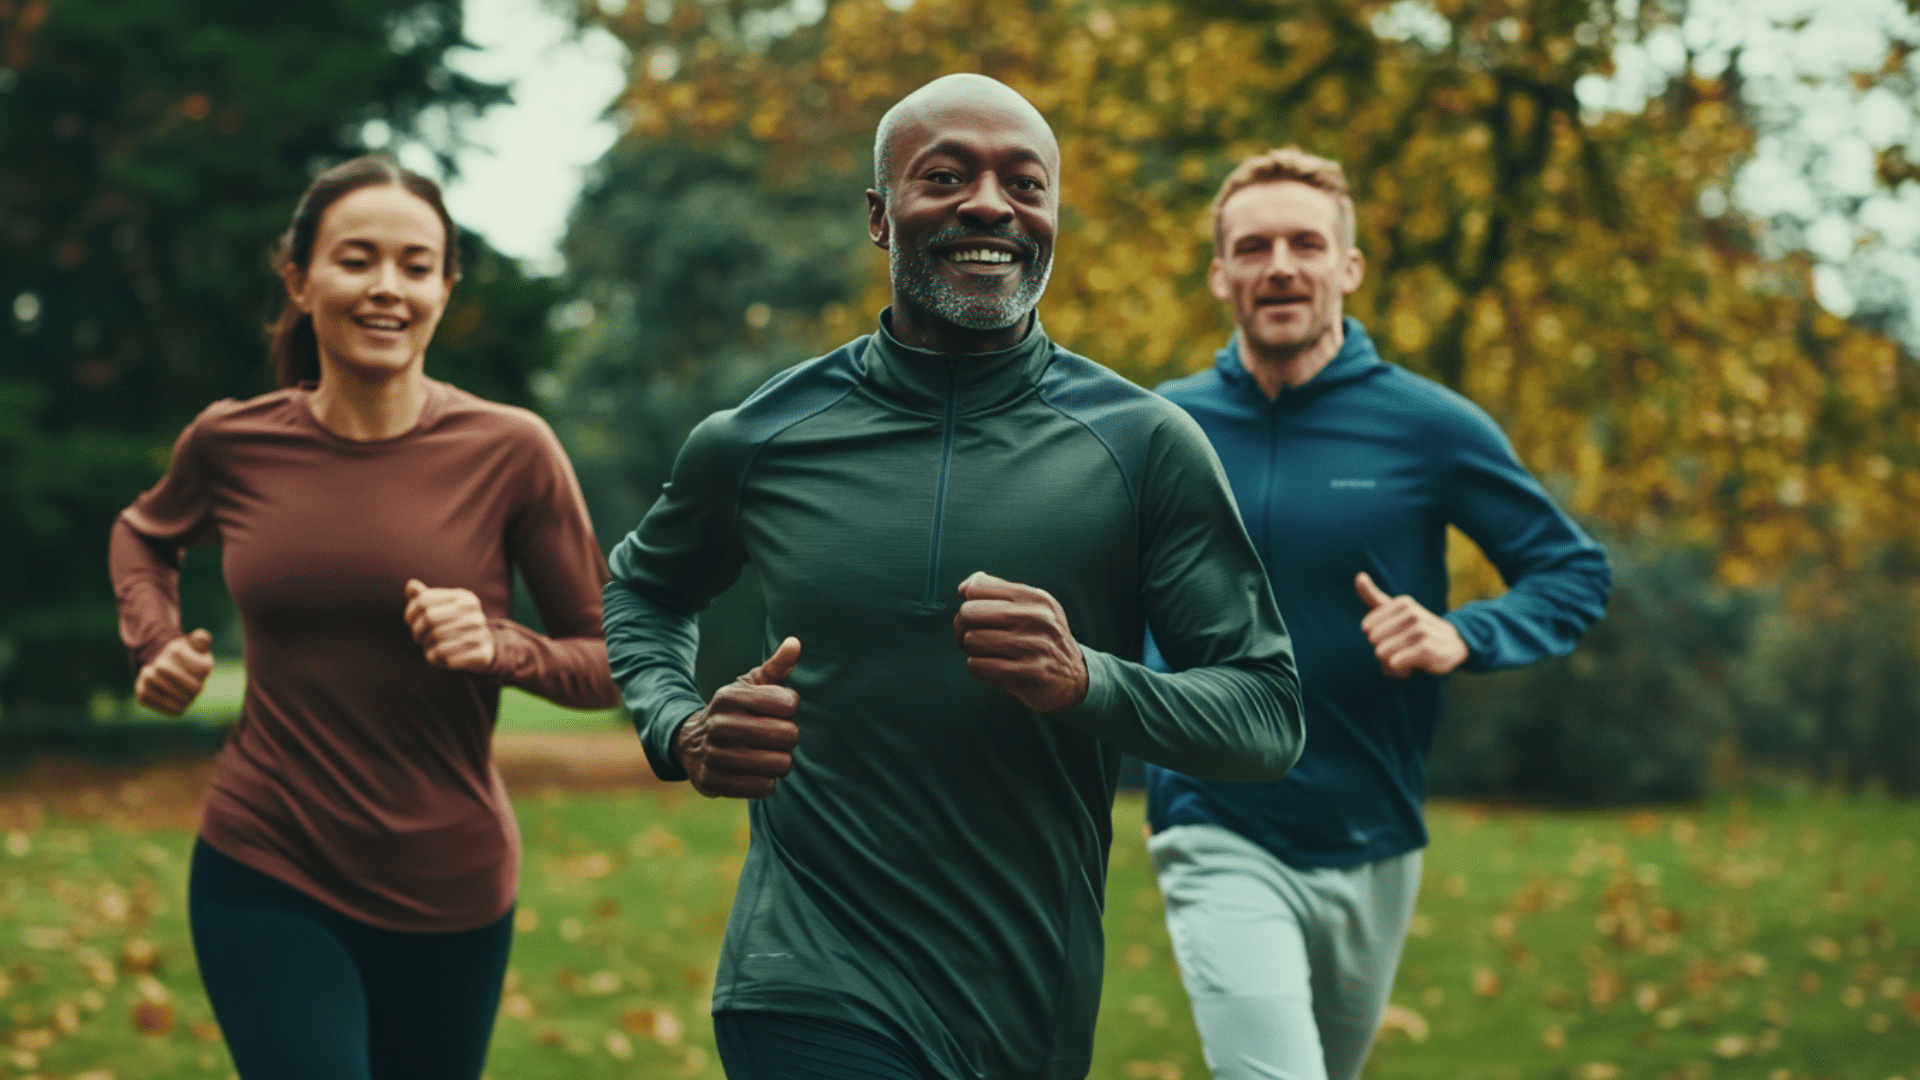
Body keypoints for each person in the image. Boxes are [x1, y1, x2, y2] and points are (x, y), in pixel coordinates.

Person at [602, 74, 1304, 1080]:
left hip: (1026, 1000)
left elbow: (1268, 717)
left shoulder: (1146, 448)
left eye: (1025, 183)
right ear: (881, 218)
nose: (990, 204)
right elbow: (646, 588)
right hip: (804, 978)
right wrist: (680, 727)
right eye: (946, 176)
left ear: (1051, 221)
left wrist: (1087, 682)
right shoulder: (760, 439)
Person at [109, 155, 618, 1080]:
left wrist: (499, 646)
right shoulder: (231, 440)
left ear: (445, 289)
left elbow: (614, 657)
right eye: (356, 259)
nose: (387, 287)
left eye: (416, 265)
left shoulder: (512, 451)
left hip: (453, 888)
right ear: (299, 280)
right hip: (266, 863)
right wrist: (155, 643)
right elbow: (142, 535)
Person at [1143, 148, 1613, 1080]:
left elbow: (1572, 573)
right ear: (1220, 274)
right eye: (1254, 246)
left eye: (1306, 242)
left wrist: (1463, 633)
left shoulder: (1426, 426)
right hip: (1213, 818)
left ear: (1347, 267)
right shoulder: (1160, 429)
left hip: (1376, 831)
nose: (1280, 263)